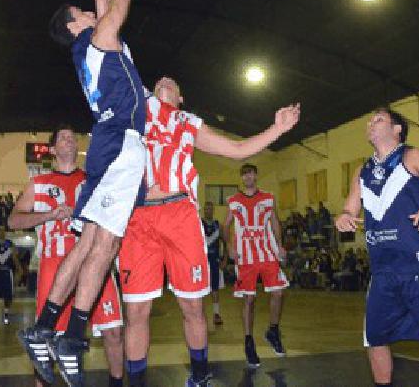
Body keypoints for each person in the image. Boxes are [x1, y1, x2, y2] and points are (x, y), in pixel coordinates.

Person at [18, 0, 146, 387]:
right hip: (120, 148)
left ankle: (50, 329)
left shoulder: (89, 50)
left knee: (94, 244)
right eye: (86, 12)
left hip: (112, 147)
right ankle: (64, 333)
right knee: (103, 246)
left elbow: (110, 7)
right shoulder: (95, 41)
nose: (97, 13)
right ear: (75, 25)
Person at [118, 76, 299, 387]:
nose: (165, 80)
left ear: (182, 96)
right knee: (135, 312)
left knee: (192, 306)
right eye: (160, 79)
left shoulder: (188, 123)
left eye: (173, 82)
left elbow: (237, 149)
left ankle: (199, 376)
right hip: (139, 217)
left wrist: (278, 129)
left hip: (180, 216)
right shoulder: (138, 110)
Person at [335, 108, 419, 387]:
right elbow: (349, 208)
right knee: (374, 339)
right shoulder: (362, 171)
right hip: (384, 272)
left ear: (397, 129)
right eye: (369, 120)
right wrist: (344, 217)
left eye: (378, 120)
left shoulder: (413, 157)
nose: (370, 124)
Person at [9, 125, 125, 387]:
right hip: (56, 263)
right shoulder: (38, 184)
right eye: (63, 137)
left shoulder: (92, 180)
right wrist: (49, 215)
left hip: (94, 260)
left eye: (73, 137)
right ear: (52, 150)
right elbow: (13, 220)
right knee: (45, 340)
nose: (70, 139)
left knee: (114, 332)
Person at [224, 163, 289, 368]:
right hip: (245, 255)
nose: (248, 177)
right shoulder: (233, 201)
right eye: (244, 174)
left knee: (278, 292)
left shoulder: (268, 198)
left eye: (251, 173)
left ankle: (273, 330)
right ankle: (248, 341)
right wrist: (229, 247)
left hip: (267, 252)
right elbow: (225, 225)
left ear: (256, 175)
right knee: (249, 299)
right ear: (242, 178)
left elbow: (275, 221)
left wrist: (280, 245)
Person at [201, 201, 225, 326]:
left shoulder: (218, 225)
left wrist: (225, 259)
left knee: (215, 289)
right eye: (206, 209)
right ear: (204, 210)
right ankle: (200, 315)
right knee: (201, 289)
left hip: (215, 261)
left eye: (210, 209)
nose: (208, 211)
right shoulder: (199, 224)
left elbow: (225, 242)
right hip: (203, 262)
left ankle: (216, 314)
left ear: (213, 210)